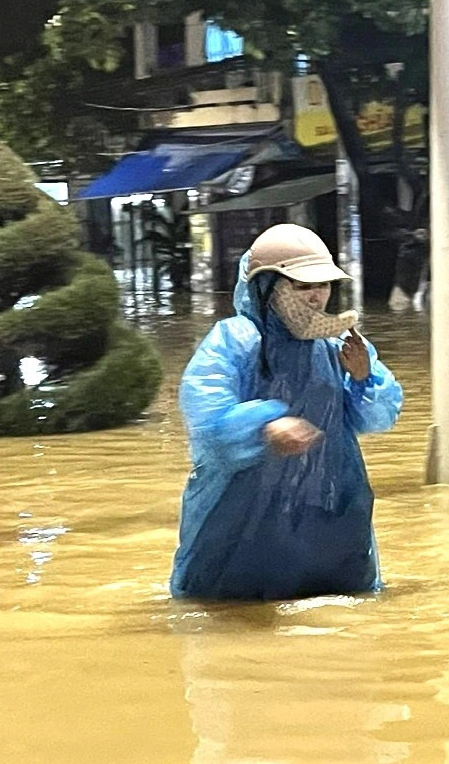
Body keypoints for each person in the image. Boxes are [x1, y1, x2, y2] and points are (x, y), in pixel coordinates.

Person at [171, 224, 403, 601]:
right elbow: (207, 421)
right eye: (302, 286)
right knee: (229, 614)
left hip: (330, 514)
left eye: (323, 286)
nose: (316, 297)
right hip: (242, 518)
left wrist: (364, 379)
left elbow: (379, 418)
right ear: (266, 288)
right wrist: (264, 426)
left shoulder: (338, 345)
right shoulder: (234, 340)